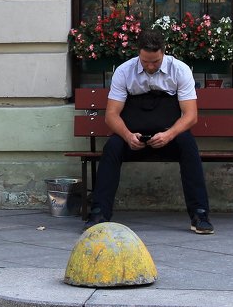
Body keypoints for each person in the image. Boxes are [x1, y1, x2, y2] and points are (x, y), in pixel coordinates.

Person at [85, 30, 213, 234]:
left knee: (188, 145)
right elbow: (111, 115)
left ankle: (200, 214)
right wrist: (127, 136)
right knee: (112, 147)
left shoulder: (179, 70)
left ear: (164, 53)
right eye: (145, 61)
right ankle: (99, 214)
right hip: (133, 138)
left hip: (168, 137)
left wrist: (169, 135)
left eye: (155, 62)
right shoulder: (124, 71)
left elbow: (190, 116)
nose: (150, 66)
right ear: (138, 54)